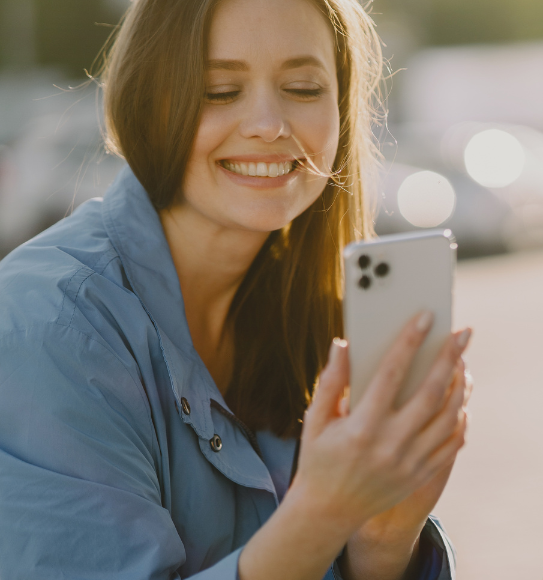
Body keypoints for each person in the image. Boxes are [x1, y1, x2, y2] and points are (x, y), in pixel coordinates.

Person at [0, 0, 472, 578]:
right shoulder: (46, 324)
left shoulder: (318, 316)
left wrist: (380, 539)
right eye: (221, 91)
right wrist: (321, 514)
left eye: (303, 88)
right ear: (146, 103)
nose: (270, 125)